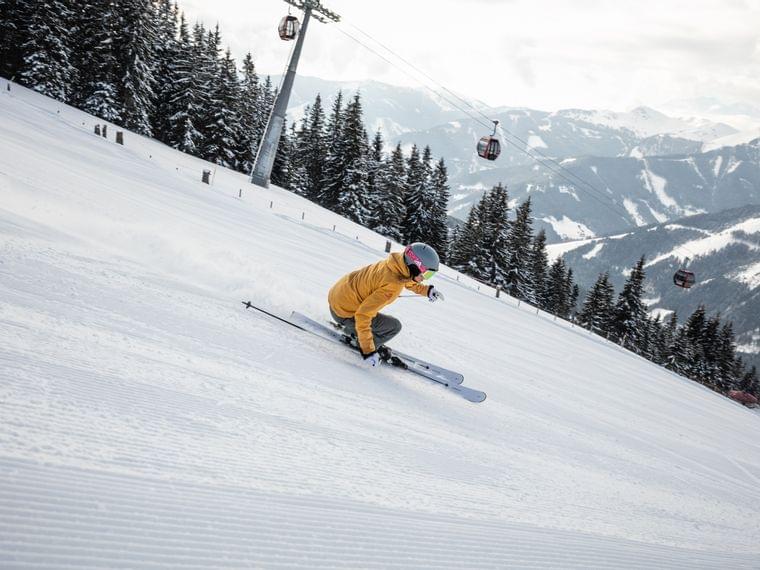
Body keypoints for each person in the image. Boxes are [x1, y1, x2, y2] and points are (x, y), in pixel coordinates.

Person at [328, 242, 445, 367]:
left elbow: (406, 280)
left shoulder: (395, 265)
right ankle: (359, 342)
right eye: (427, 274)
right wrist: (368, 350)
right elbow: (363, 315)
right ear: (415, 266)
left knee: (379, 320)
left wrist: (426, 290)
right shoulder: (393, 285)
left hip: (338, 298)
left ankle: (354, 331)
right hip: (344, 312)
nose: (425, 278)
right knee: (394, 326)